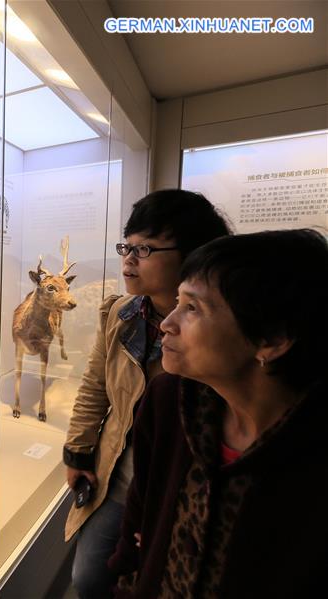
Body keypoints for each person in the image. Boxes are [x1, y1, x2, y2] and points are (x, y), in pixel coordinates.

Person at [108, 228, 328, 598]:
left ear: (272, 338)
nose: (167, 323)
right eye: (177, 303)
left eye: (192, 308)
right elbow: (141, 509)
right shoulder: (168, 400)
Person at [63, 189, 231, 599]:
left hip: (182, 487)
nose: (129, 259)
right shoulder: (120, 314)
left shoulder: (218, 331)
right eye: (127, 246)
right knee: (89, 578)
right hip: (120, 477)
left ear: (192, 254)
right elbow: (95, 386)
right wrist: (79, 452)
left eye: (145, 248)